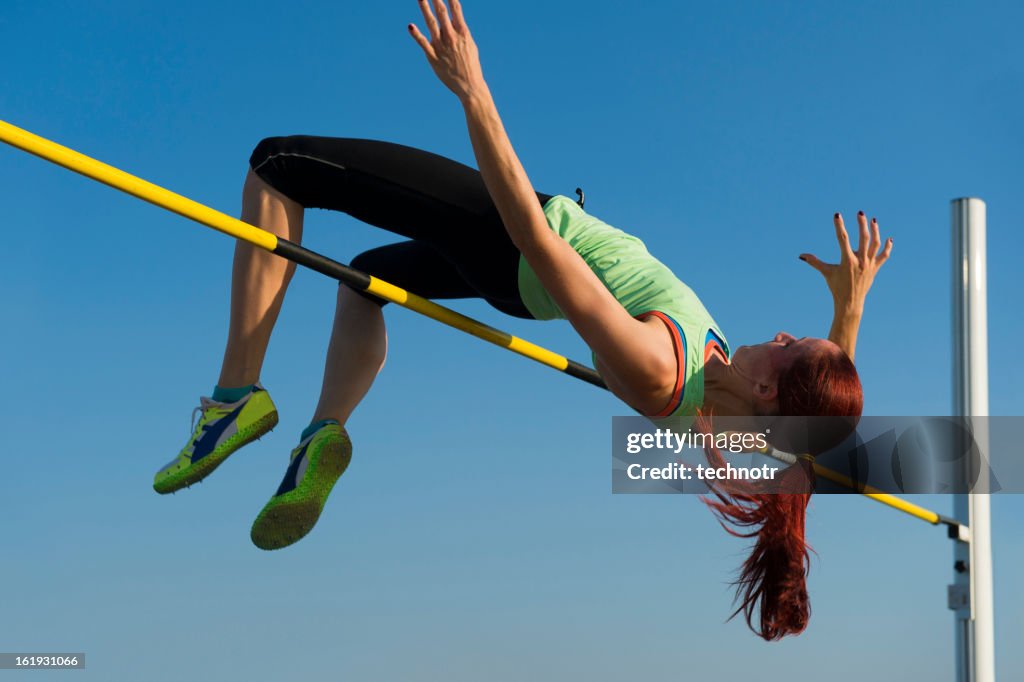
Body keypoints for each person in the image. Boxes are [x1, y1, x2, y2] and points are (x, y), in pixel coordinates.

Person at [152, 0, 892, 639]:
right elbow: (807, 445)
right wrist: (848, 311)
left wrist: (474, 94)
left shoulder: (662, 369)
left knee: (279, 162)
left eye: (798, 347)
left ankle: (233, 398)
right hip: (513, 276)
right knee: (364, 281)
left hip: (508, 237)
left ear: (771, 391)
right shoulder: (735, 415)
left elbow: (535, 236)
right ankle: (325, 433)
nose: (788, 333)